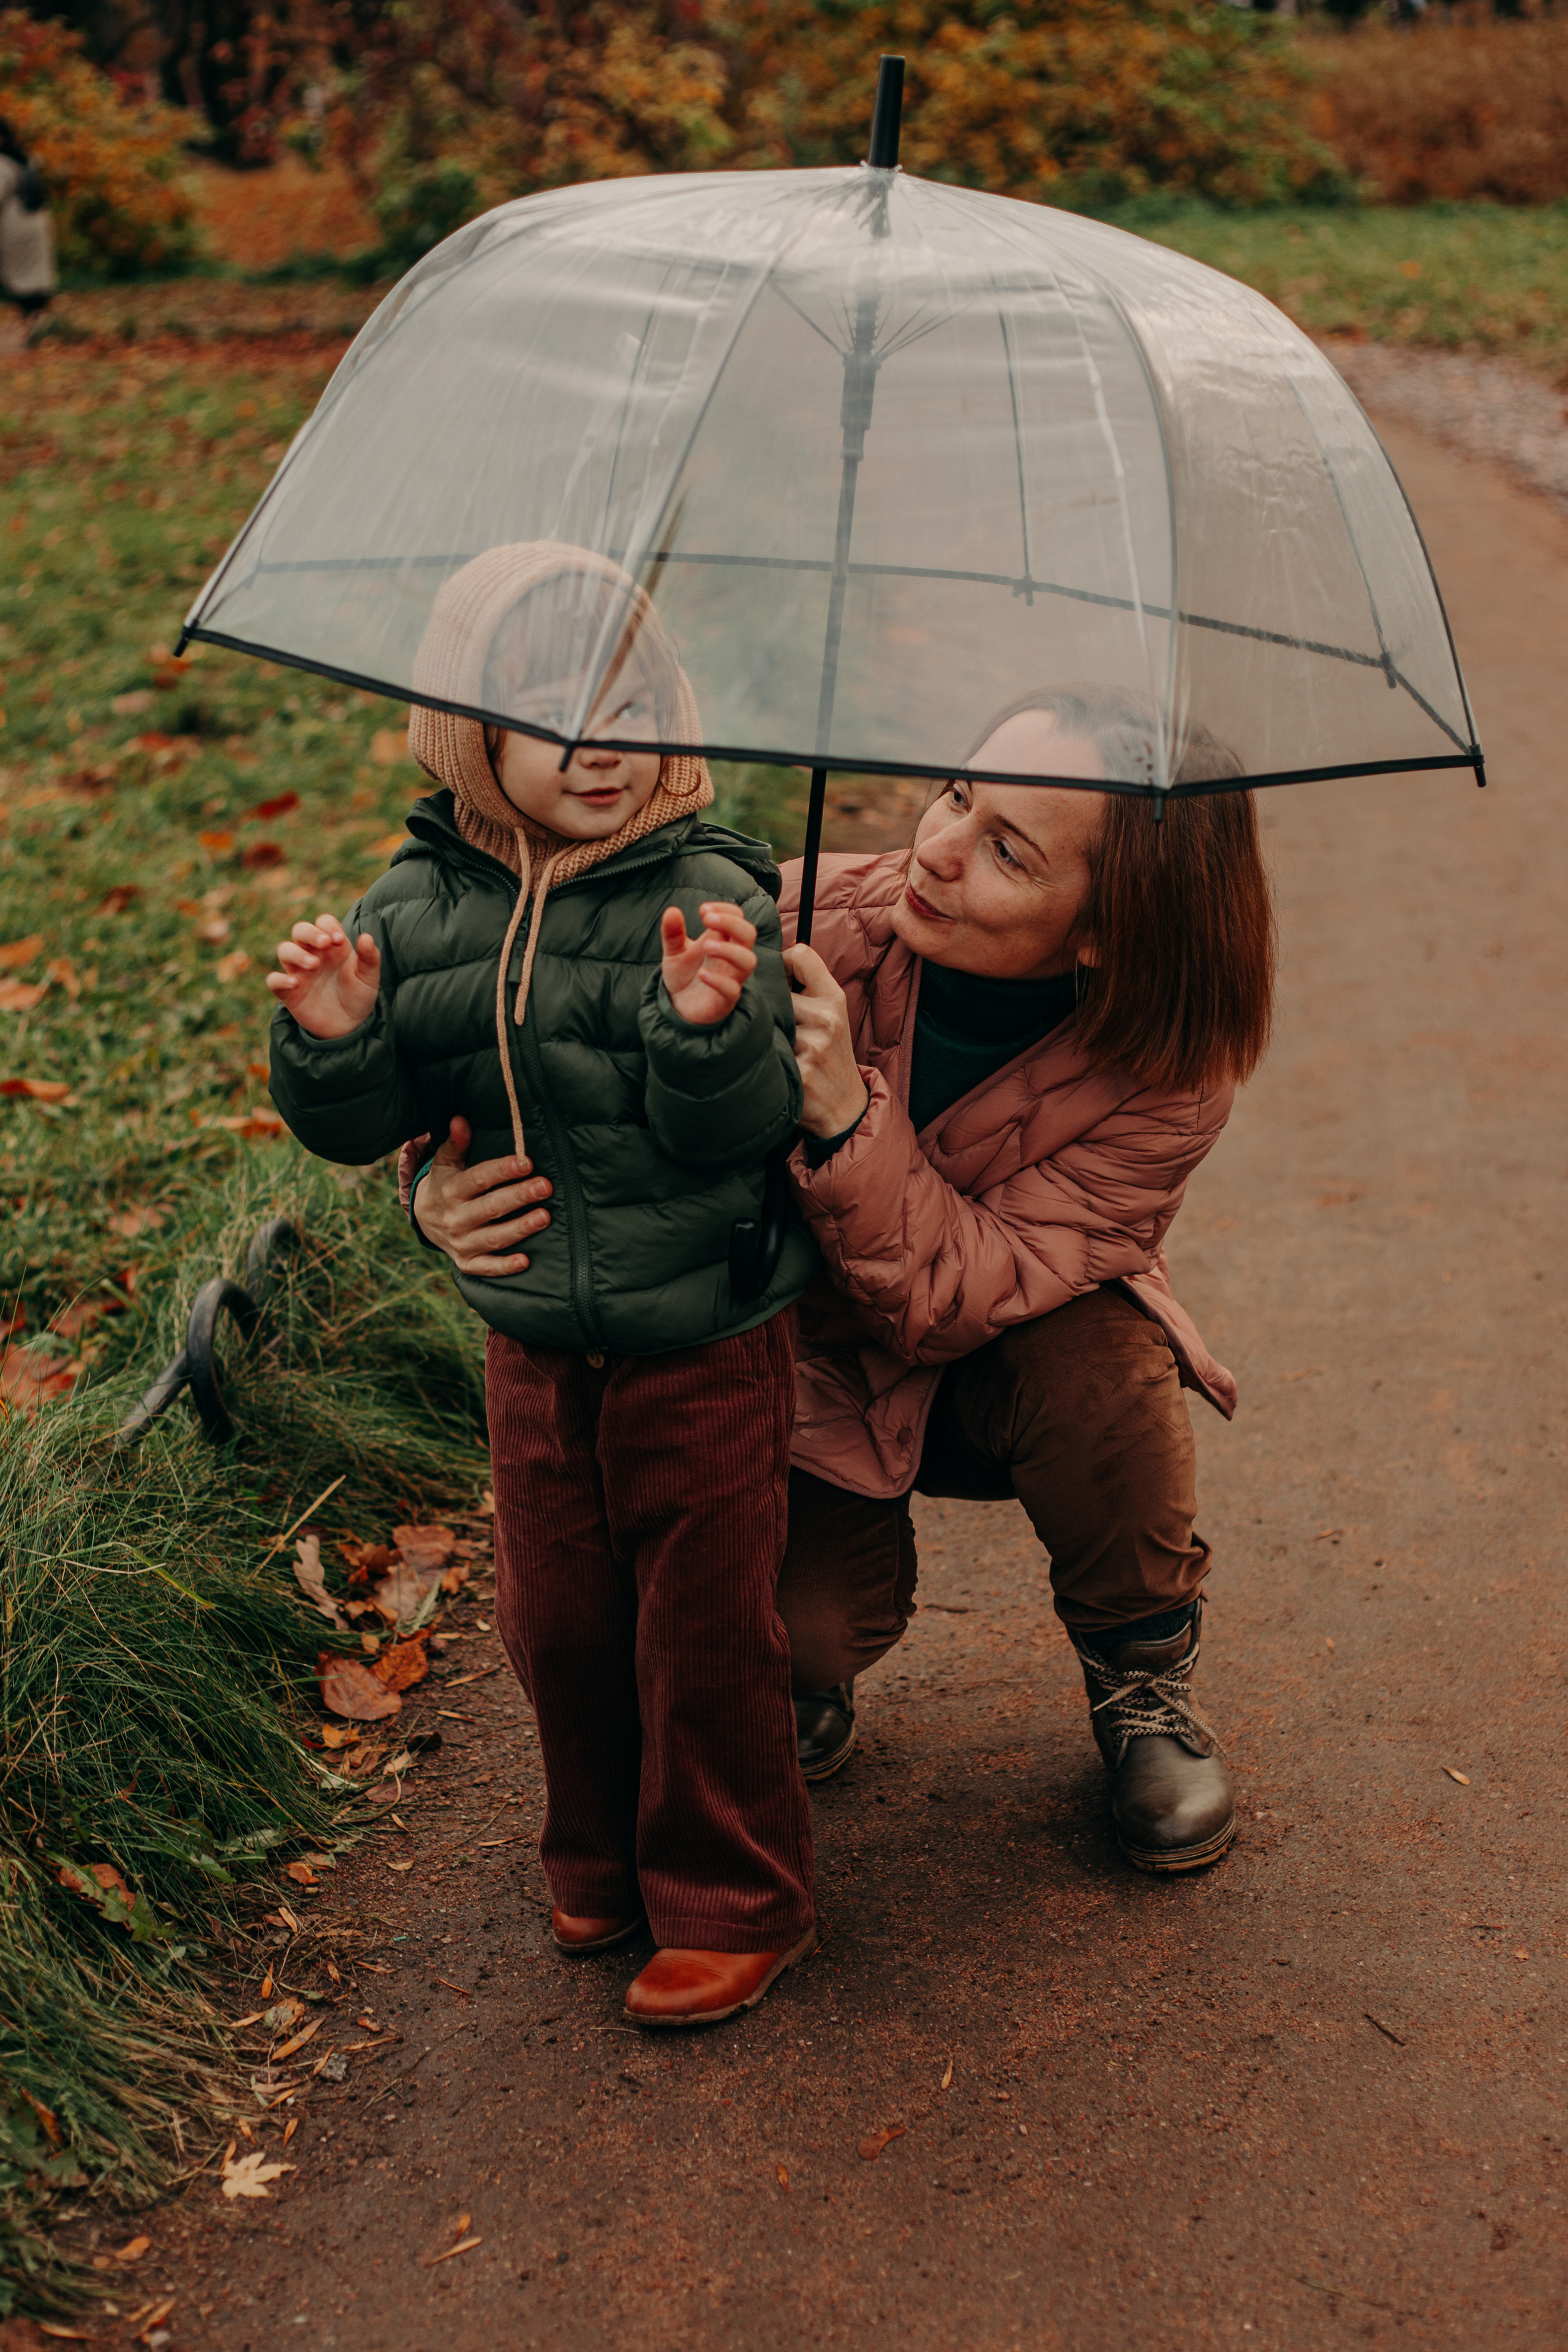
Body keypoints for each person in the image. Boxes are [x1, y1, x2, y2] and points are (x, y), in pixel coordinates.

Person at [407, 682, 1276, 1875]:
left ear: (1105, 930)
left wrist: (843, 1117)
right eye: (956, 795)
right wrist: (435, 1182)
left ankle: (1142, 1679)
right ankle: (793, 1674)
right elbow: (553, 1050)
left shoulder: (1168, 1078)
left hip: (993, 1358)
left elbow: (959, 1297)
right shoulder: (789, 914)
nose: (938, 848)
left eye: (1008, 851)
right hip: (791, 1358)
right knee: (788, 1632)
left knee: (1107, 1368)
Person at [267, 541, 820, 2025]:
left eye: (627, 702)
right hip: (528, 1336)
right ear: (468, 730)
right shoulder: (413, 904)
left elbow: (741, 1127)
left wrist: (706, 1026)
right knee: (557, 1618)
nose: (596, 741)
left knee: (700, 1624)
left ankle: (731, 1892)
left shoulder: (709, 889)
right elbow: (370, 1123)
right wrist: (335, 1041)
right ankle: (598, 1852)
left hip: (701, 1330)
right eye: (547, 710)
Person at [0, 121, 55, 339]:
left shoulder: (2, 163)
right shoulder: (28, 158)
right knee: (36, 274)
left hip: (15, 222)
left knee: (19, 276)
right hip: (37, 220)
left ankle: (32, 325)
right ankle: (39, 323)